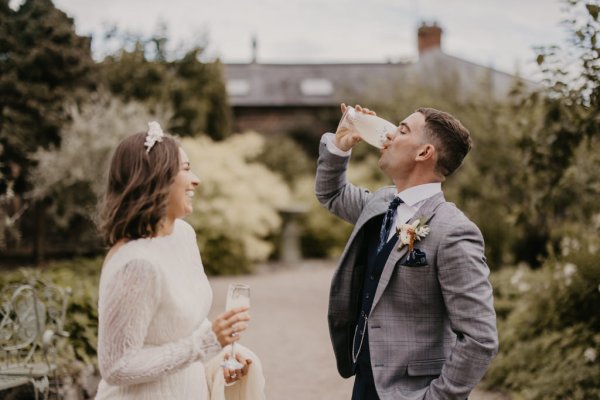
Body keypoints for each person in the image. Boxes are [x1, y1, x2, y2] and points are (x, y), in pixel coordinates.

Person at [315, 104, 498, 400]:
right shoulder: (380, 204)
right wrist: (339, 146)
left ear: (424, 153)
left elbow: (480, 338)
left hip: (413, 392)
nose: (387, 136)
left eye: (401, 130)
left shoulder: (453, 231)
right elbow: (331, 193)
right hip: (366, 383)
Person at [95, 122, 251, 399]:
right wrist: (206, 344)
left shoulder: (184, 235)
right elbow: (116, 366)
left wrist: (222, 352)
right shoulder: (136, 264)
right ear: (157, 178)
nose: (196, 180)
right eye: (186, 169)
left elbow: (187, 323)